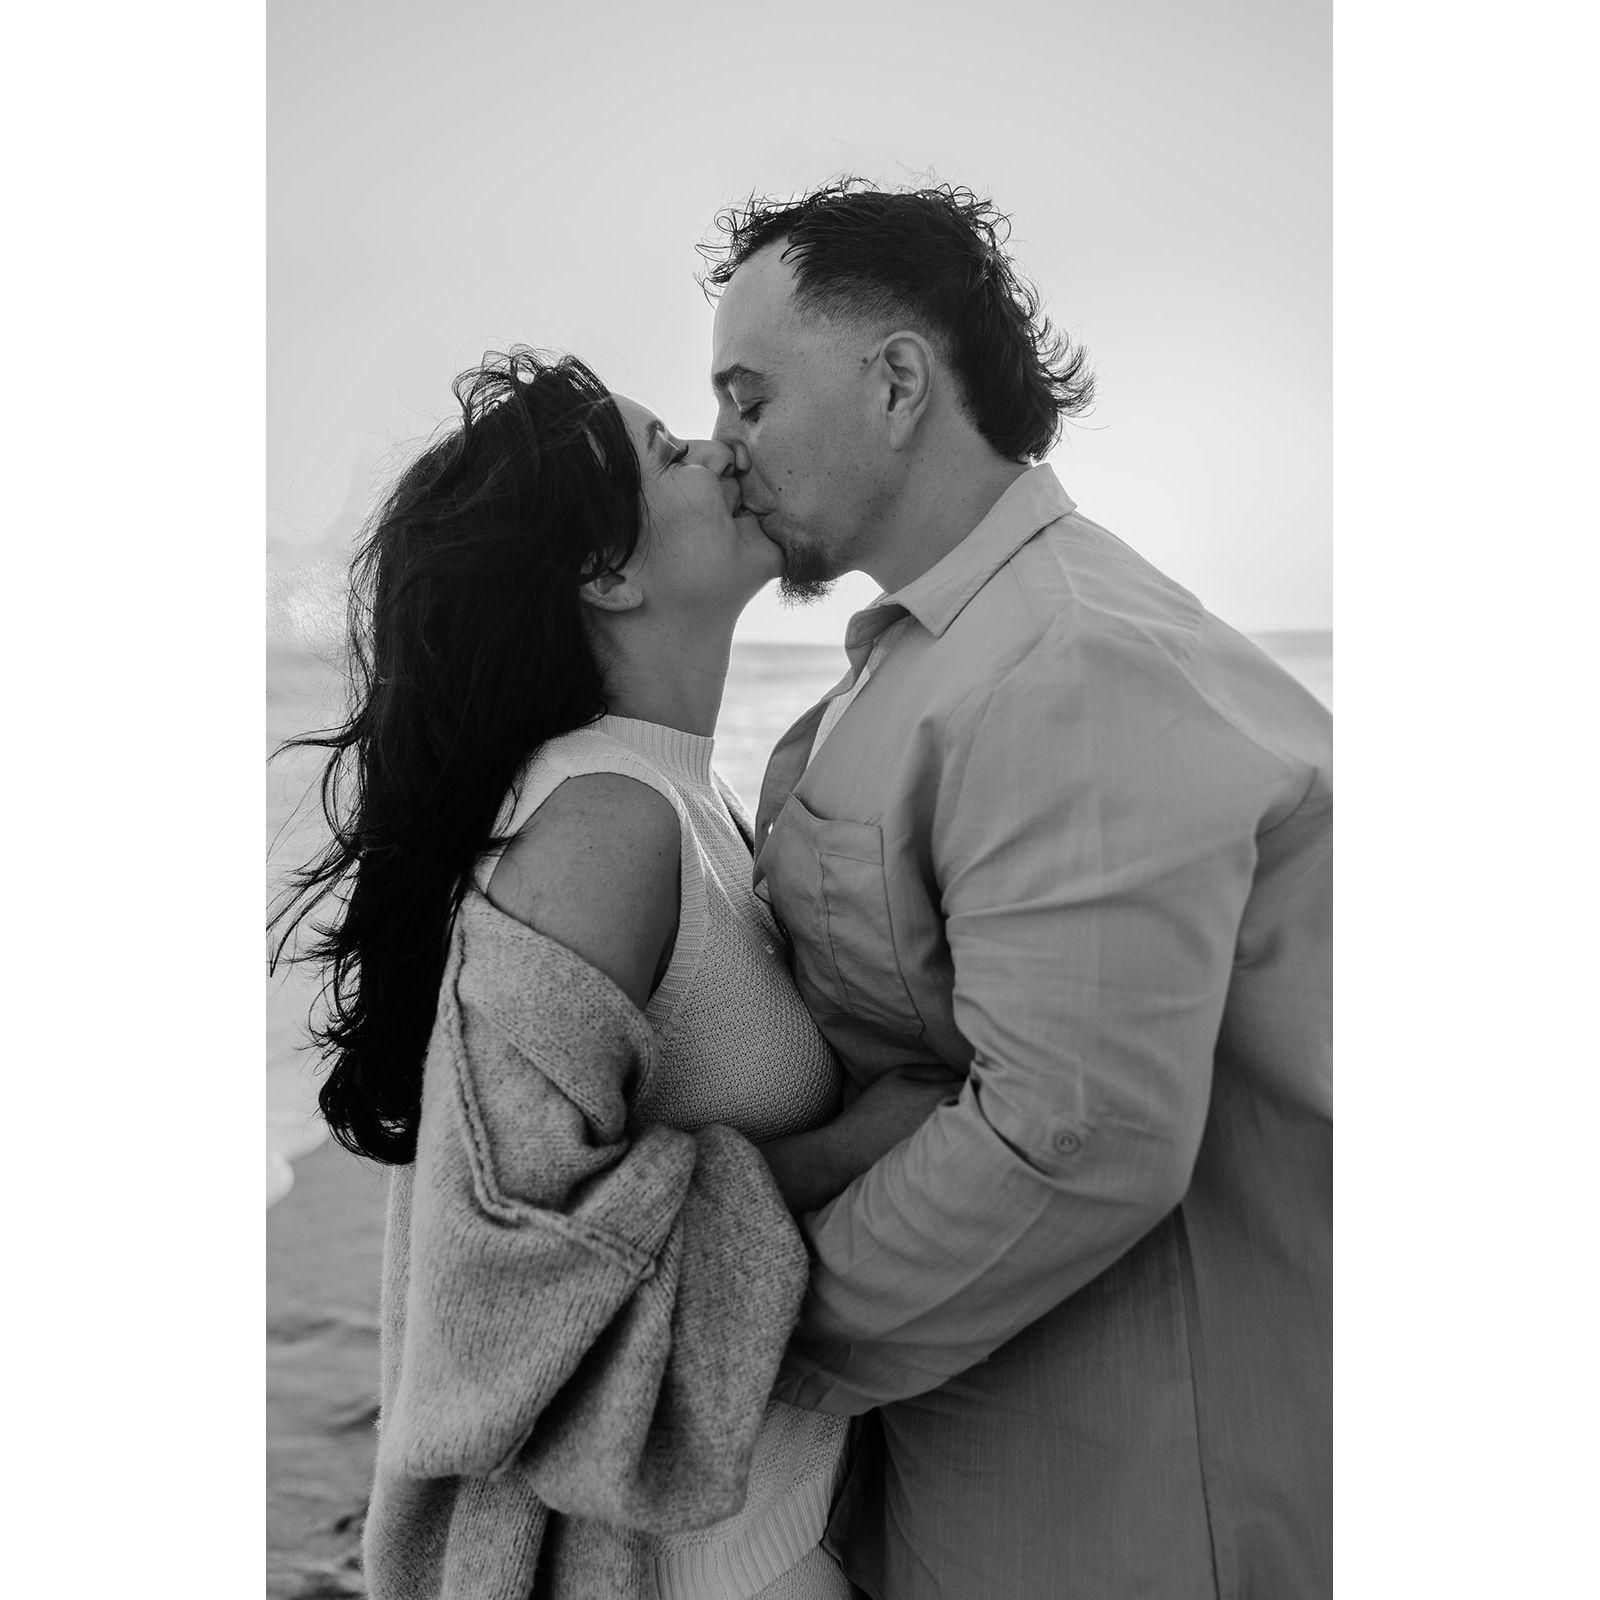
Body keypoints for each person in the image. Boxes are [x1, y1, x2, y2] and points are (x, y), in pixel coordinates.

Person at [699, 180, 1333, 1600]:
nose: (724, 447)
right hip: (990, 1445)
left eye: (750, 397)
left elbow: (1075, 1136)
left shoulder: (1069, 664)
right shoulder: (937, 653)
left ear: (897, 383)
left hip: (1134, 1495)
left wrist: (737, 1339)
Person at [270, 347, 953, 1600]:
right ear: (605, 570)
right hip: (686, 1566)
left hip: (777, 1517)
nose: (721, 447)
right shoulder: (603, 822)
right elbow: (510, 1260)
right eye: (668, 452)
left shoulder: (684, 797)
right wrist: (861, 1144)